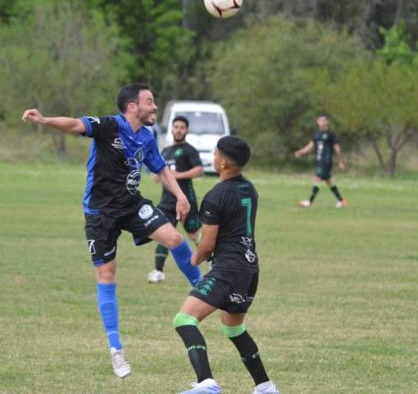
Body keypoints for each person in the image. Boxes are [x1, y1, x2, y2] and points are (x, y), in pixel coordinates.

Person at [21, 83, 202, 379]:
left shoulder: (146, 136)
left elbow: (160, 168)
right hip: (100, 214)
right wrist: (44, 120)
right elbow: (75, 124)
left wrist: (181, 196)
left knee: (175, 238)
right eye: (150, 102)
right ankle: (116, 350)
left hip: (132, 206)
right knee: (107, 276)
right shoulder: (108, 126)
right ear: (133, 107)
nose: (155, 107)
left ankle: (205, 289)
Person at [173, 136, 279, 394]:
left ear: (222, 164)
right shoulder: (249, 189)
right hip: (250, 268)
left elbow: (207, 245)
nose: (213, 156)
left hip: (228, 269)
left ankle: (206, 384)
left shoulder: (216, 195)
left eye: (215, 153)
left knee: (184, 319)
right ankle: (266, 387)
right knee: (233, 328)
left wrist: (193, 259)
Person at [147, 115, 204, 284]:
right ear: (171, 129)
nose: (178, 130)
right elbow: (161, 171)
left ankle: (211, 260)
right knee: (164, 232)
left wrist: (179, 175)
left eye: (182, 127)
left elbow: (199, 170)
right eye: (176, 127)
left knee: (194, 234)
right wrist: (159, 176)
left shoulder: (189, 150)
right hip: (167, 201)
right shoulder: (166, 151)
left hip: (186, 200)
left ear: (186, 130)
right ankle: (158, 271)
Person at [293, 113, 347, 208]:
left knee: (317, 179)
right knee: (329, 181)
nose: (321, 122)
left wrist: (341, 161)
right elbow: (310, 146)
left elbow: (337, 148)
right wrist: (301, 152)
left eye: (323, 120)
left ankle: (310, 201)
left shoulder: (331, 134)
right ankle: (341, 200)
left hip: (326, 161)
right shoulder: (317, 134)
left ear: (327, 122)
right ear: (317, 122)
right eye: (319, 120)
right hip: (320, 161)